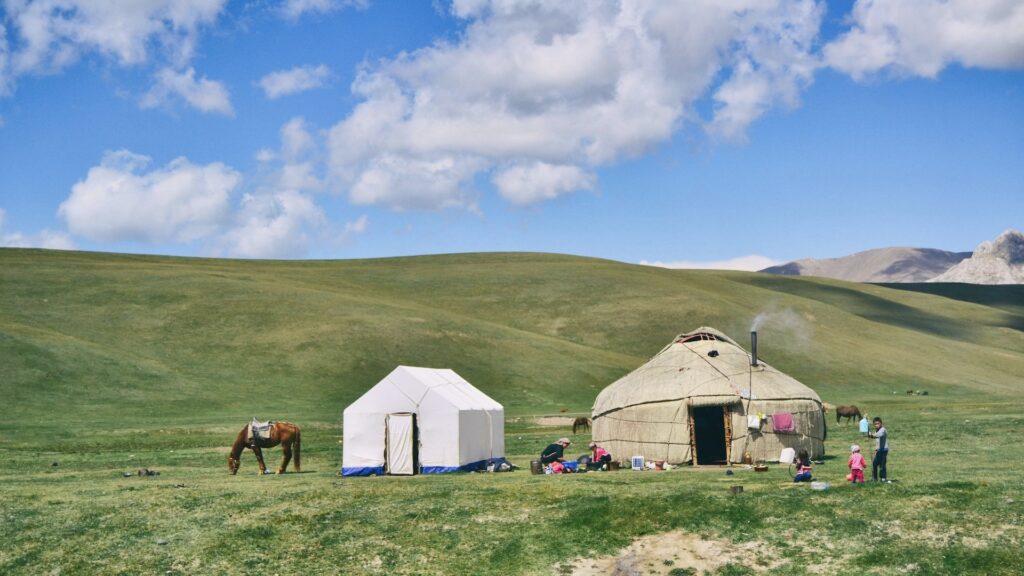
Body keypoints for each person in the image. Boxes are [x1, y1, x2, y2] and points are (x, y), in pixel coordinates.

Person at [868, 417, 890, 483]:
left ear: (881, 423)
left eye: (878, 423)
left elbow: (878, 435)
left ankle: (883, 479)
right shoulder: (876, 430)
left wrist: (871, 435)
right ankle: (875, 479)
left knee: (882, 465)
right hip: (879, 450)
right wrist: (876, 450)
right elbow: (877, 441)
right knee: (874, 464)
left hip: (883, 450)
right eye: (875, 424)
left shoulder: (883, 430)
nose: (876, 425)